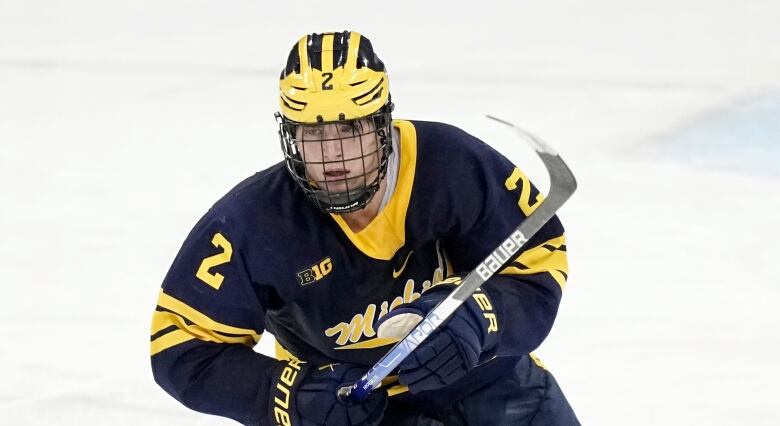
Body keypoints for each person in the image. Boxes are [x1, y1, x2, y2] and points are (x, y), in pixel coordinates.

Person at [151, 31, 579, 426]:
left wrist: (481, 317)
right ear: (289, 136)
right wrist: (289, 397)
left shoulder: (451, 165)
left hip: (491, 384)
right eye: (313, 134)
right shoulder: (253, 222)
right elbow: (178, 346)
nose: (333, 156)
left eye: (351, 129)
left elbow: (538, 261)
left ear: (382, 125)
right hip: (358, 412)